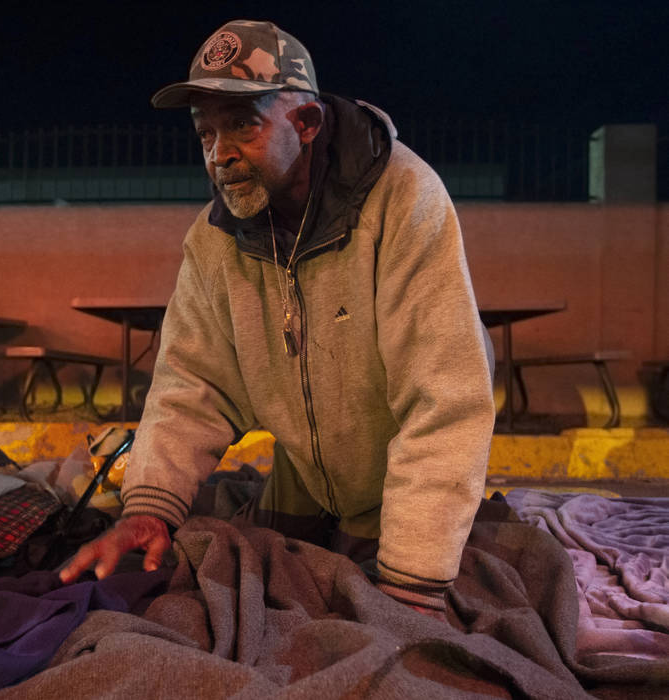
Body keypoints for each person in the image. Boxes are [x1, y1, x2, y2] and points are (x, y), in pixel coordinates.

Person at [60, 20, 496, 620]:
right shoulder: (213, 241)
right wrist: (148, 510)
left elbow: (446, 399)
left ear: (307, 124)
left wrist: (413, 583)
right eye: (205, 132)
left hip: (399, 506)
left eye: (242, 124)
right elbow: (192, 383)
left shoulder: (404, 201)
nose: (220, 154)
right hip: (303, 490)